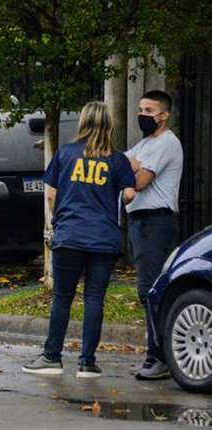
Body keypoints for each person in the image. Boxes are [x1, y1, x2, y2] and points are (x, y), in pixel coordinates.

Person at [22, 102, 136, 378]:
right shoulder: (117, 160)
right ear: (108, 124)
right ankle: (87, 362)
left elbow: (50, 193)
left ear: (83, 122)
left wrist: (57, 218)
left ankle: (52, 357)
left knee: (63, 297)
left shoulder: (66, 154)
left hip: (70, 235)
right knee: (95, 297)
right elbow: (130, 194)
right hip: (104, 238)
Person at [126, 90, 184, 381]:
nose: (143, 115)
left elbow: (139, 181)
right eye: (141, 109)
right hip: (140, 222)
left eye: (149, 111)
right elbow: (122, 165)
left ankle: (158, 357)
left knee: (151, 290)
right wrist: (129, 167)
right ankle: (157, 353)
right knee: (145, 290)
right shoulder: (147, 143)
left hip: (155, 222)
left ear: (164, 115)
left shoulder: (165, 143)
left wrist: (132, 170)